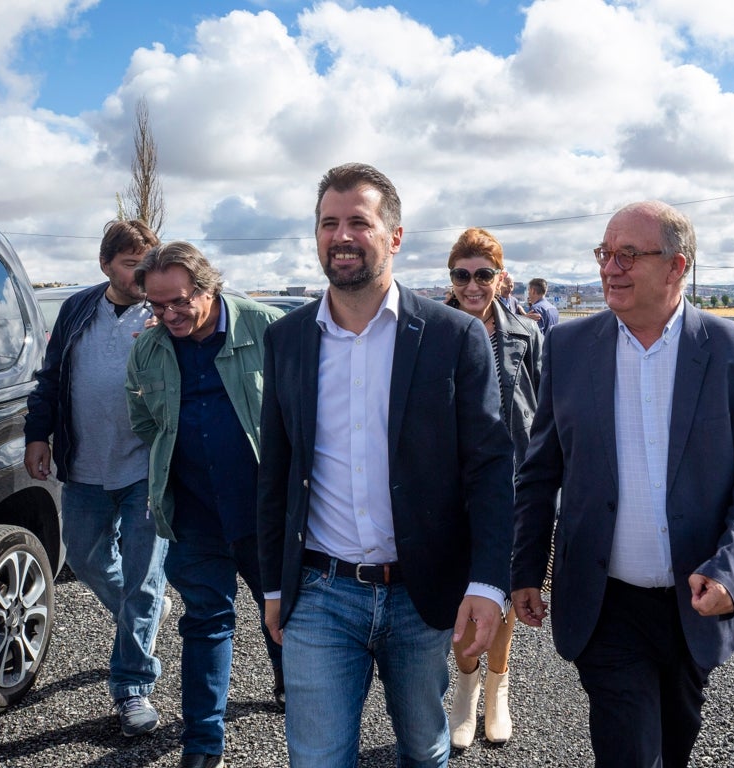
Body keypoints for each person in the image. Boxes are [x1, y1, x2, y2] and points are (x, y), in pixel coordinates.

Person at [511, 200, 734, 768]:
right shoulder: (567, 348)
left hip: (695, 598)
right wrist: (525, 567)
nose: (610, 267)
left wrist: (732, 571)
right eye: (605, 253)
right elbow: (542, 469)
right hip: (604, 598)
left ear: (676, 267)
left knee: (674, 740)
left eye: (629, 255)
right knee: (629, 751)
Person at [256, 163, 515, 768]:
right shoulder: (288, 339)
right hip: (319, 591)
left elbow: (489, 469)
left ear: (394, 237)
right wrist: (273, 583)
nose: (341, 236)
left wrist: (486, 582)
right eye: (328, 223)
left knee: (424, 751)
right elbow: (276, 470)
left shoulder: (453, 337)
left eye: (358, 222)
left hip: (421, 593)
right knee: (317, 759)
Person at [124, 242, 285, 768]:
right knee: (205, 620)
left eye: (178, 302)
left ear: (208, 287)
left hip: (265, 511)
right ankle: (202, 744)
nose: (168, 315)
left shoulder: (268, 329)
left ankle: (291, 686)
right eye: (156, 306)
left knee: (285, 611)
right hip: (193, 512)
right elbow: (144, 420)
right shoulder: (148, 349)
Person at [23, 219, 170, 737]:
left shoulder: (163, 312)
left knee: (144, 578)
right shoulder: (77, 310)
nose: (143, 273)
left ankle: (133, 687)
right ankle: (142, 612)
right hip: (84, 466)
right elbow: (50, 378)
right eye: (133, 264)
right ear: (106, 264)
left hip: (145, 469)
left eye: (148, 263)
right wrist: (37, 435)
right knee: (83, 559)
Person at [442, 227, 542, 747]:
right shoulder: (431, 331)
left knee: (499, 590)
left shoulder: (527, 333)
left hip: (512, 483)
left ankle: (496, 691)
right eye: (462, 274)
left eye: (483, 274)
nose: (472, 284)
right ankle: (463, 690)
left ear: (500, 279)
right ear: (451, 278)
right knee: (462, 589)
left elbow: (544, 413)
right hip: (449, 486)